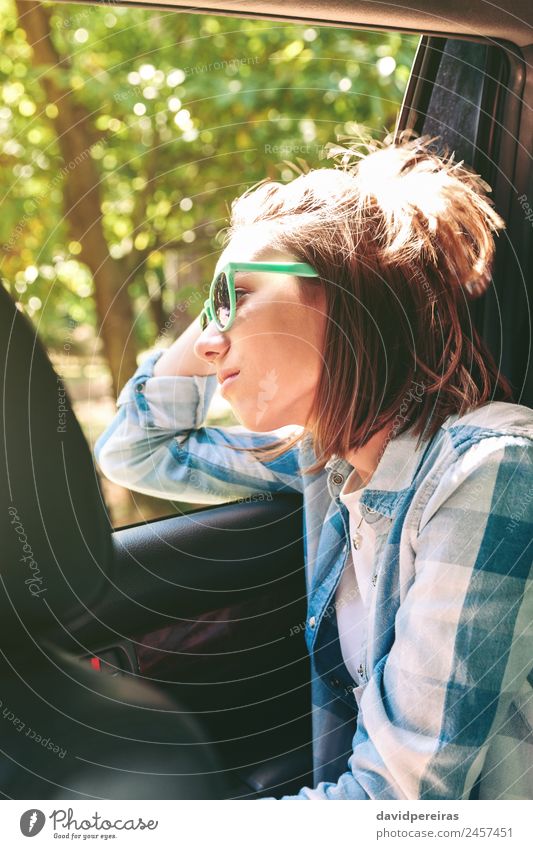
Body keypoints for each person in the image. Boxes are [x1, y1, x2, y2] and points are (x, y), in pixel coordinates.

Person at [94, 136, 533, 800]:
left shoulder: (486, 471)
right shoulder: (325, 462)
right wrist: (238, 276)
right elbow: (136, 446)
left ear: (344, 297)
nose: (208, 342)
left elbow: (396, 809)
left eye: (238, 297)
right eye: (210, 309)